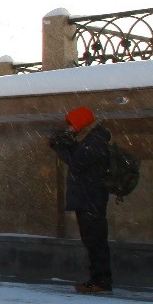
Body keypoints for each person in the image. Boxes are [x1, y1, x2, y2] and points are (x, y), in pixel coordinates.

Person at [49, 106, 114, 294]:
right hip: (89, 197)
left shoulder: (96, 139)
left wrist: (61, 146)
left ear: (82, 123)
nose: (71, 128)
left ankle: (101, 281)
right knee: (92, 240)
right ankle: (98, 279)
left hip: (91, 198)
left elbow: (77, 162)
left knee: (95, 240)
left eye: (72, 124)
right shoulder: (92, 138)